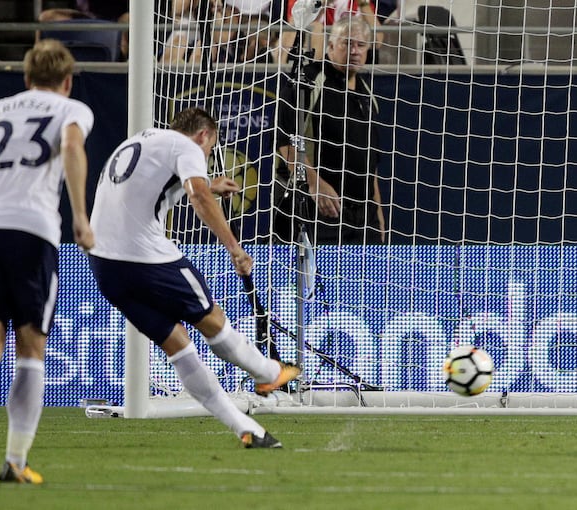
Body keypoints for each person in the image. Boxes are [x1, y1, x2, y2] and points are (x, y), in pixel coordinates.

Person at [88, 107, 301, 448]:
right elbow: (196, 194)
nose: (205, 158)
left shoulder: (144, 139)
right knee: (211, 319)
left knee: (177, 343)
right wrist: (235, 249)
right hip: (144, 255)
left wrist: (211, 184)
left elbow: (149, 189)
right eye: (210, 150)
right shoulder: (187, 146)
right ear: (203, 136)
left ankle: (247, 429)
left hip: (103, 264)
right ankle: (268, 374)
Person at [0, 39, 94, 484]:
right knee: (31, 352)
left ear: (26, 78)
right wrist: (80, 218)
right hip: (33, 231)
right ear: (66, 82)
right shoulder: (71, 110)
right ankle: (15, 461)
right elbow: (70, 147)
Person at [274, 14, 385, 244]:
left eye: (361, 45)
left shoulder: (367, 96)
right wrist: (314, 183)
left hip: (365, 218)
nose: (355, 50)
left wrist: (379, 217)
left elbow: (370, 164)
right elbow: (287, 140)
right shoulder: (309, 80)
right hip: (320, 210)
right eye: (348, 43)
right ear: (331, 45)